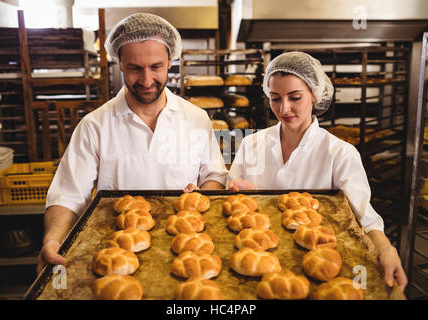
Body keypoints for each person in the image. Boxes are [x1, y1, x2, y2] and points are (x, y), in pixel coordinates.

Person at [37, 13, 227, 274]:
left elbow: (214, 176)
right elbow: (68, 196)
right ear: (121, 65)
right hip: (116, 256)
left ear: (170, 62)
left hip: (187, 252)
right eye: (136, 68)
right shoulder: (95, 126)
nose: (147, 80)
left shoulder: (196, 118)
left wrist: (203, 194)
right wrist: (53, 240)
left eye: (156, 67)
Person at [227, 51, 408, 291]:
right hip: (255, 259)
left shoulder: (340, 154)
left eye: (295, 97)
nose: (284, 108)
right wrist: (240, 194)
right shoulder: (251, 144)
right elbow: (230, 202)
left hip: (322, 265)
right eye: (275, 98)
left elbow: (364, 217)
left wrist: (386, 250)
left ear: (315, 94)